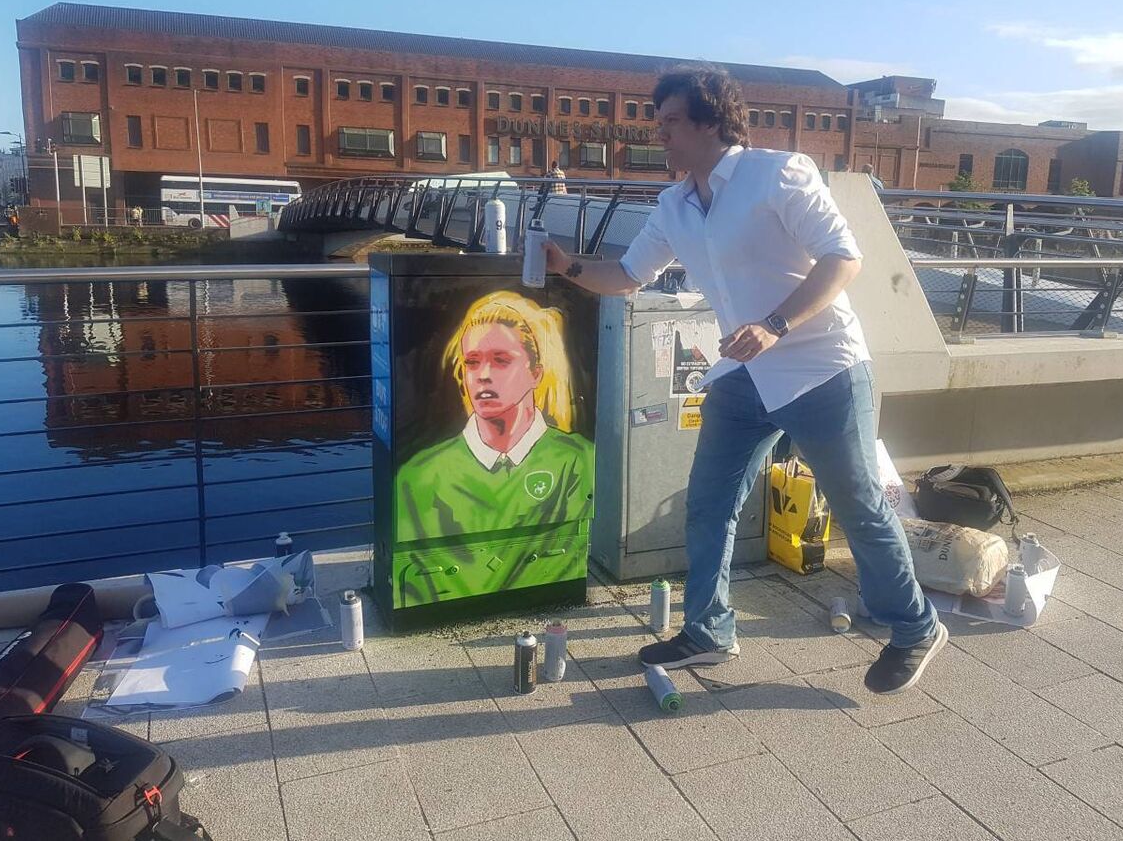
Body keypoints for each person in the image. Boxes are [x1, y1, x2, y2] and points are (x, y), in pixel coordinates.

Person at [543, 65, 944, 695]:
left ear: (709, 121)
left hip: (821, 365)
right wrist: (567, 267)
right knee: (708, 504)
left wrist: (775, 324)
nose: (661, 136)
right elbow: (625, 274)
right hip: (743, 375)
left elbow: (845, 257)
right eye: (659, 124)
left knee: (857, 503)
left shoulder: (777, 173)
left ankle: (914, 625)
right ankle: (709, 629)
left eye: (671, 122)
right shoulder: (674, 205)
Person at [395, 290, 594, 542]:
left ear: (536, 374)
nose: (483, 375)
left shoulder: (577, 460)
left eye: (500, 360)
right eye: (472, 362)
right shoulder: (419, 476)